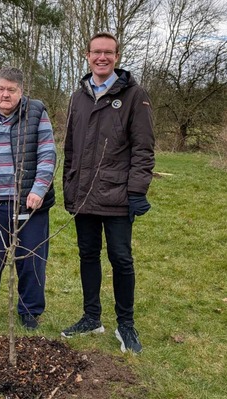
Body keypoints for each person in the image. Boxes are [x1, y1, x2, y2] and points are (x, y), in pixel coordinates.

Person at [61, 32, 155, 354]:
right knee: (88, 255)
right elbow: (71, 148)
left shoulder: (134, 95)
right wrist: (69, 189)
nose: (102, 58)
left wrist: (137, 191)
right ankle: (91, 317)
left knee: (121, 259)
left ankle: (125, 325)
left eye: (108, 53)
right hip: (84, 195)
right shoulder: (78, 97)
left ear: (117, 56)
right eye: (96, 52)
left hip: (117, 196)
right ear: (87, 55)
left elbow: (143, 149)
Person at [0, 67, 57, 330]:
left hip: (28, 204)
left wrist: (38, 190)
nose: (4, 95)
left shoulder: (36, 112)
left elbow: (47, 154)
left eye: (11, 90)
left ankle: (30, 311)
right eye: (0, 89)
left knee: (31, 260)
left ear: (21, 91)